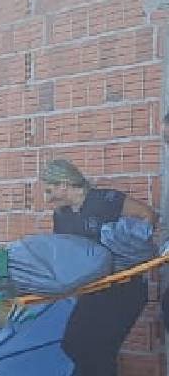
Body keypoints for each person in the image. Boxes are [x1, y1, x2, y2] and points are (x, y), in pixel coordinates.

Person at [41, 158, 155, 376]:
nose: (47, 198)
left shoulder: (106, 200)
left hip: (124, 289)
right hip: (93, 292)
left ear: (64, 184)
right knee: (73, 343)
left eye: (49, 190)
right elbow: (65, 255)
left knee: (100, 350)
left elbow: (148, 215)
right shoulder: (61, 216)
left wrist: (131, 248)